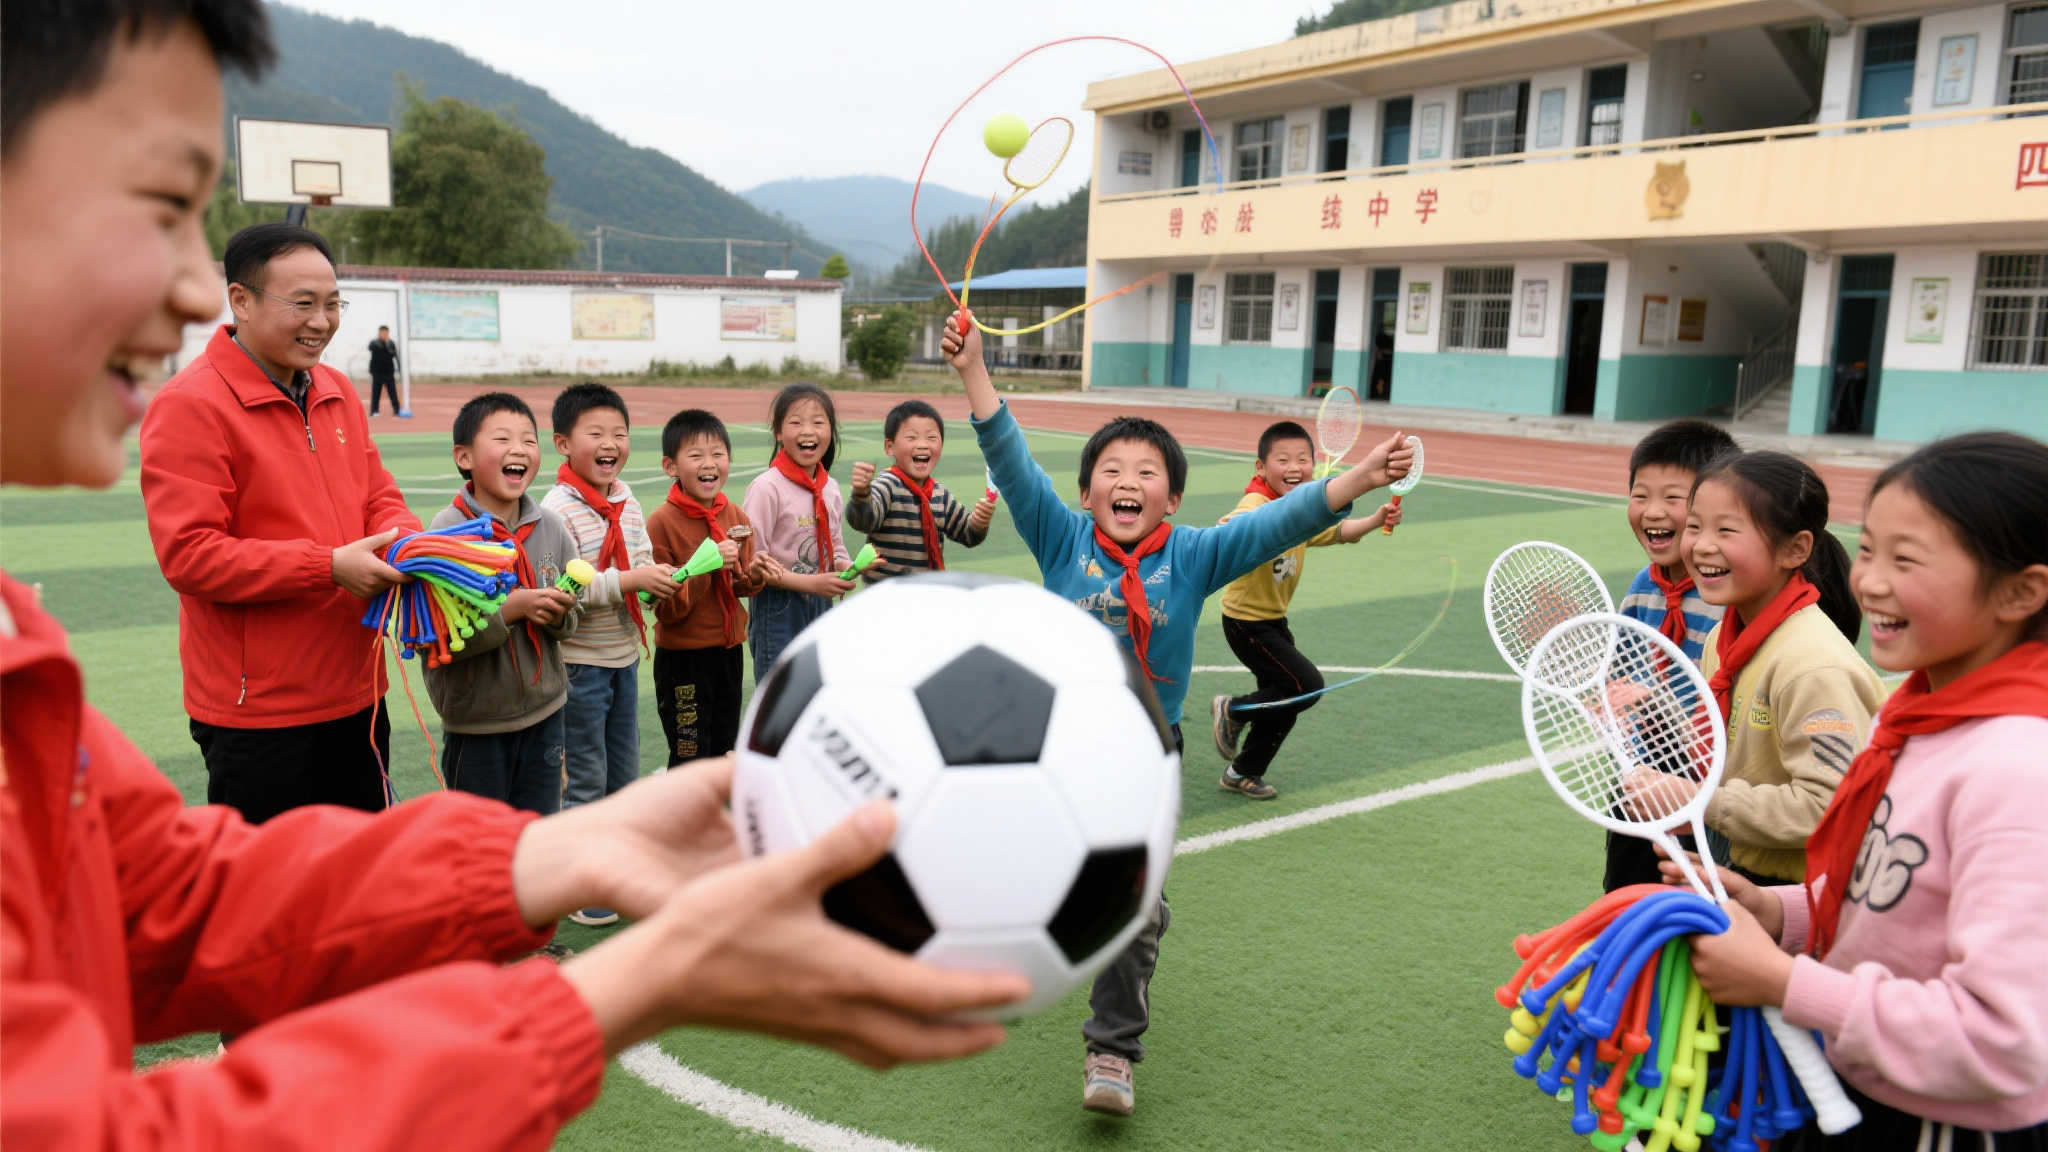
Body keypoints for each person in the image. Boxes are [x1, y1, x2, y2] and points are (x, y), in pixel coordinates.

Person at [0, 3, 1024, 1146]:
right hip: (257, 698)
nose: (193, 288)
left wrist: (559, 847)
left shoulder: (33, 629)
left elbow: (169, 900)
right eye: (158, 207)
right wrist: (616, 993)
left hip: (350, 684)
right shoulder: (196, 411)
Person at [942, 311, 1411, 1117]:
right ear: (1087, 490)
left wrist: (1358, 479)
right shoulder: (1061, 539)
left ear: (1176, 495)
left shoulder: (1193, 554)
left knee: (1139, 906)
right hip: (1052, 749)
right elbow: (1009, 458)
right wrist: (973, 370)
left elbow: (1281, 519)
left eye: (1149, 471)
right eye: (1113, 469)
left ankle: (1112, 1051)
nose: (1129, 480)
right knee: (1039, 875)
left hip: (1143, 753)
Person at [1674, 432, 2048, 1150]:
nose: (1868, 581)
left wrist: (1787, 984)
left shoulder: (2016, 767)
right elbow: (1896, 889)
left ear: (2022, 591)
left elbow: (2003, 1042)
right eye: (1870, 550)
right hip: (1863, 1079)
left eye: (1906, 560)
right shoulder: (1925, 718)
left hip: (1942, 1121)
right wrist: (1782, 909)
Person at [140, 218, 417, 822]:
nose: (322, 321)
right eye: (302, 304)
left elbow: (378, 493)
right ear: (240, 300)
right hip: (260, 712)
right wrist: (327, 567)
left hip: (358, 689)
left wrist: (411, 543)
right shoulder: (192, 405)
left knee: (358, 873)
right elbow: (190, 554)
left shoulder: (337, 389)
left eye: (332, 303)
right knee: (270, 898)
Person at [1622, 451, 1884, 884]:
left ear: (1795, 549)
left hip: (1800, 890)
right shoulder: (1722, 638)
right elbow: (1730, 749)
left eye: (1726, 530)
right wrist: (1661, 721)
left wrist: (1703, 802)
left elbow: (1830, 807)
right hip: (1737, 866)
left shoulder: (1813, 666)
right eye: (1695, 526)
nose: (1702, 545)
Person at [540, 381, 678, 928]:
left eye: (619, 433)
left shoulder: (626, 498)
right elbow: (570, 585)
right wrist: (630, 579)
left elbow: (638, 557)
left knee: (624, 773)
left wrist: (654, 581)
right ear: (562, 444)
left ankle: (619, 872)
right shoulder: (556, 509)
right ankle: (583, 883)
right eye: (595, 433)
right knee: (587, 778)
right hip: (579, 664)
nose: (610, 443)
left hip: (622, 657)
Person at [1207, 420, 1401, 801]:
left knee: (1285, 699)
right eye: (1283, 460)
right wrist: (1232, 525)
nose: (1295, 467)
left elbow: (1339, 532)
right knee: (1305, 686)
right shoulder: (1258, 503)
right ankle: (1233, 710)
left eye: (1303, 459)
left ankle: (1242, 772)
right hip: (1246, 622)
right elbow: (1240, 519)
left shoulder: (1299, 510)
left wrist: (1377, 520)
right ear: (1260, 468)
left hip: (1272, 621)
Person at [423, 393, 580, 816]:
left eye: (529, 440)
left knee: (538, 826)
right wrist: (512, 609)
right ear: (464, 456)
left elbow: (571, 621)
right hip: (477, 725)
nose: (519, 450)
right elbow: (438, 638)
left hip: (546, 712)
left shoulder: (551, 526)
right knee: (478, 838)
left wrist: (559, 615)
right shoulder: (446, 534)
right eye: (502, 439)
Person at [1602, 418, 1737, 890]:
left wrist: (1656, 703)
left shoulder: (1728, 595)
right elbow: (1621, 673)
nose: (1652, 511)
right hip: (1642, 779)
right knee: (1624, 899)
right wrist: (1609, 700)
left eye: (1673, 499)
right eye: (1640, 496)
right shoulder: (1643, 589)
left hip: (1706, 786)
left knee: (1698, 909)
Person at [645, 408, 773, 764]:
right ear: (670, 466)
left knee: (723, 751)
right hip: (684, 660)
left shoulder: (735, 516)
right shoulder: (661, 523)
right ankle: (682, 819)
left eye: (718, 454)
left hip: (728, 654)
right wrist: (706, 565)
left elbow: (740, 586)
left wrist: (757, 576)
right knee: (689, 754)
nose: (710, 463)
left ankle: (714, 818)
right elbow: (667, 610)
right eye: (696, 455)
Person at [741, 382, 855, 674]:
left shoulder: (829, 487)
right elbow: (756, 561)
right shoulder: (767, 488)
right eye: (796, 422)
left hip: (820, 602)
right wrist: (809, 584)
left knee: (816, 683)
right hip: (777, 606)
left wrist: (848, 565)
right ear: (778, 432)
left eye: (818, 422)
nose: (808, 431)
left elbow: (836, 545)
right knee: (779, 692)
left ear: (831, 430)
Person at [845, 399, 994, 583]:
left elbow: (967, 534)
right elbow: (864, 521)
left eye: (931, 438)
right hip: (887, 596)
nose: (922, 444)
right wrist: (861, 494)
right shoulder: (887, 485)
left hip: (926, 593)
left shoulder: (940, 494)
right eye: (911, 437)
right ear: (889, 447)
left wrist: (978, 523)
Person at [367, 323, 400, 416]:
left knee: (392, 392)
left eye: (386, 332)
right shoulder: (374, 343)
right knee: (376, 392)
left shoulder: (390, 343)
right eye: (382, 332)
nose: (384, 334)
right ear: (379, 333)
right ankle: (374, 411)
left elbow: (393, 354)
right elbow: (370, 347)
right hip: (377, 372)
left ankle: (397, 410)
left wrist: (386, 343)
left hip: (388, 372)